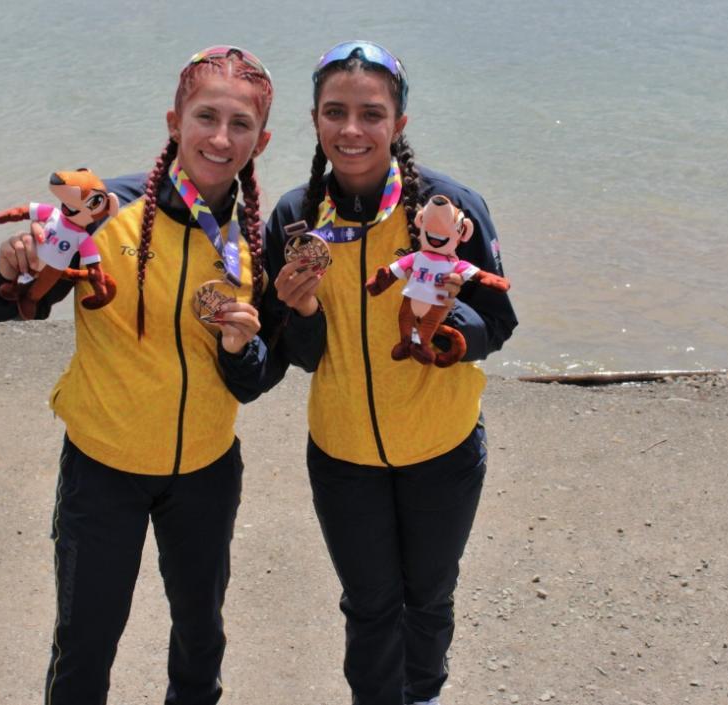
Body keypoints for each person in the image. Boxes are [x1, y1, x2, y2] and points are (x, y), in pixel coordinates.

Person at [0, 46, 277, 705]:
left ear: (262, 141)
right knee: (85, 645)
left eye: (241, 124)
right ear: (175, 122)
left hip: (205, 472)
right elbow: (10, 307)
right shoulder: (104, 210)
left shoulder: (255, 240)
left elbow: (254, 380)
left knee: (200, 641)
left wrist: (238, 349)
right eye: (206, 117)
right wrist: (10, 269)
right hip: (103, 469)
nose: (221, 138)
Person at [262, 41, 518, 705]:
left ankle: (424, 694)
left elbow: (499, 320)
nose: (352, 129)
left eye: (371, 114)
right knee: (370, 603)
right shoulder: (294, 219)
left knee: (428, 597)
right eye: (335, 112)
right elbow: (302, 354)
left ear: (399, 123)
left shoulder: (449, 208)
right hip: (343, 452)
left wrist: (450, 326)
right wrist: (301, 311)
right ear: (314, 119)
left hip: (442, 445)